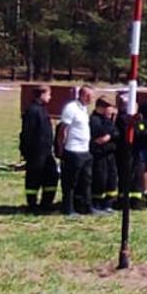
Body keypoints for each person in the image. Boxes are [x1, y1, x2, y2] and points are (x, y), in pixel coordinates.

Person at [19, 85, 58, 213]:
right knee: (34, 179)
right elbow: (27, 133)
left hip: (46, 152)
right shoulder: (32, 111)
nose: (50, 97)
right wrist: (27, 152)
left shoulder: (42, 109)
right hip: (36, 152)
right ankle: (32, 204)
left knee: (51, 176)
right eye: (48, 94)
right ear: (41, 95)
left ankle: (46, 203)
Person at [57, 86, 95, 216]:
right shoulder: (71, 108)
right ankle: (68, 208)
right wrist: (61, 148)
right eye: (88, 95)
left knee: (86, 180)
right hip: (73, 150)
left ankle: (86, 206)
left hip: (85, 150)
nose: (91, 98)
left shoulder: (84, 109)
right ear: (81, 95)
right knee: (70, 181)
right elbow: (63, 129)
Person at [90, 97, 118, 213]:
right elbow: (100, 136)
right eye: (109, 108)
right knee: (100, 179)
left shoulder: (108, 120)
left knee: (111, 179)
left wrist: (109, 136)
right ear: (101, 108)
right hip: (99, 155)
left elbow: (115, 133)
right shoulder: (94, 120)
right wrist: (108, 135)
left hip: (109, 154)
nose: (111, 111)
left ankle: (108, 203)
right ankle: (97, 204)